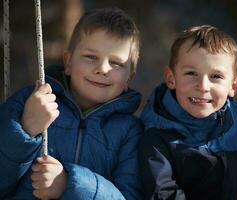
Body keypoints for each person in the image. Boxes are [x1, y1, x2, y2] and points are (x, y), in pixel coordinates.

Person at [138, 25, 237, 200]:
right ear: (171, 78)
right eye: (191, 73)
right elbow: (162, 196)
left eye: (216, 76)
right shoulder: (156, 139)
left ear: (234, 86)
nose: (203, 86)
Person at [0, 7, 142, 200]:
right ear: (68, 62)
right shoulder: (30, 102)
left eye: (116, 63)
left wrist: (69, 184)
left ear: (129, 79)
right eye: (91, 57)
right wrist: (25, 129)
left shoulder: (130, 132)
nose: (102, 69)